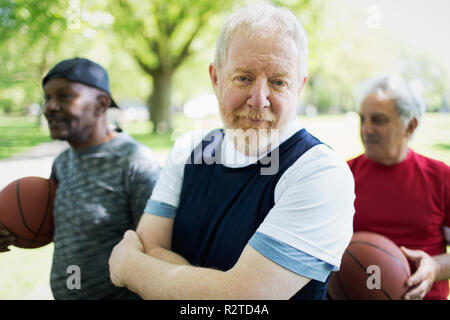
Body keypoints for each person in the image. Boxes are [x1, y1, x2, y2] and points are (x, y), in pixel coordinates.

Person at [108, 3, 355, 300]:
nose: (259, 100)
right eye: (244, 78)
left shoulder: (320, 172)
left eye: (278, 82)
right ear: (215, 78)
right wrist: (216, 288)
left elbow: (243, 302)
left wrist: (130, 267)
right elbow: (151, 245)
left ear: (299, 87)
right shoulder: (189, 150)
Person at [0, 57, 161, 299]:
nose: (50, 107)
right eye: (47, 98)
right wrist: (11, 231)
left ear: (100, 103)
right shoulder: (63, 162)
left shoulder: (135, 163)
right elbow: (60, 227)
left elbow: (157, 253)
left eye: (65, 96)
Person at [348, 74, 450, 300]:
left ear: (410, 125)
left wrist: (435, 267)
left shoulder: (441, 178)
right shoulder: (342, 176)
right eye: (362, 119)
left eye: (378, 120)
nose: (366, 129)